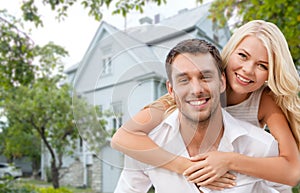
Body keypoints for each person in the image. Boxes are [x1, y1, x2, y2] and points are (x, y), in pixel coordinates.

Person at [111, 20, 300, 190]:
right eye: (243, 56)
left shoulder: (264, 101)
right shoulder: (187, 97)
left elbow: (291, 171)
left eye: (262, 66)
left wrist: (229, 161)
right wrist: (189, 168)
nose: (248, 70)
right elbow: (122, 137)